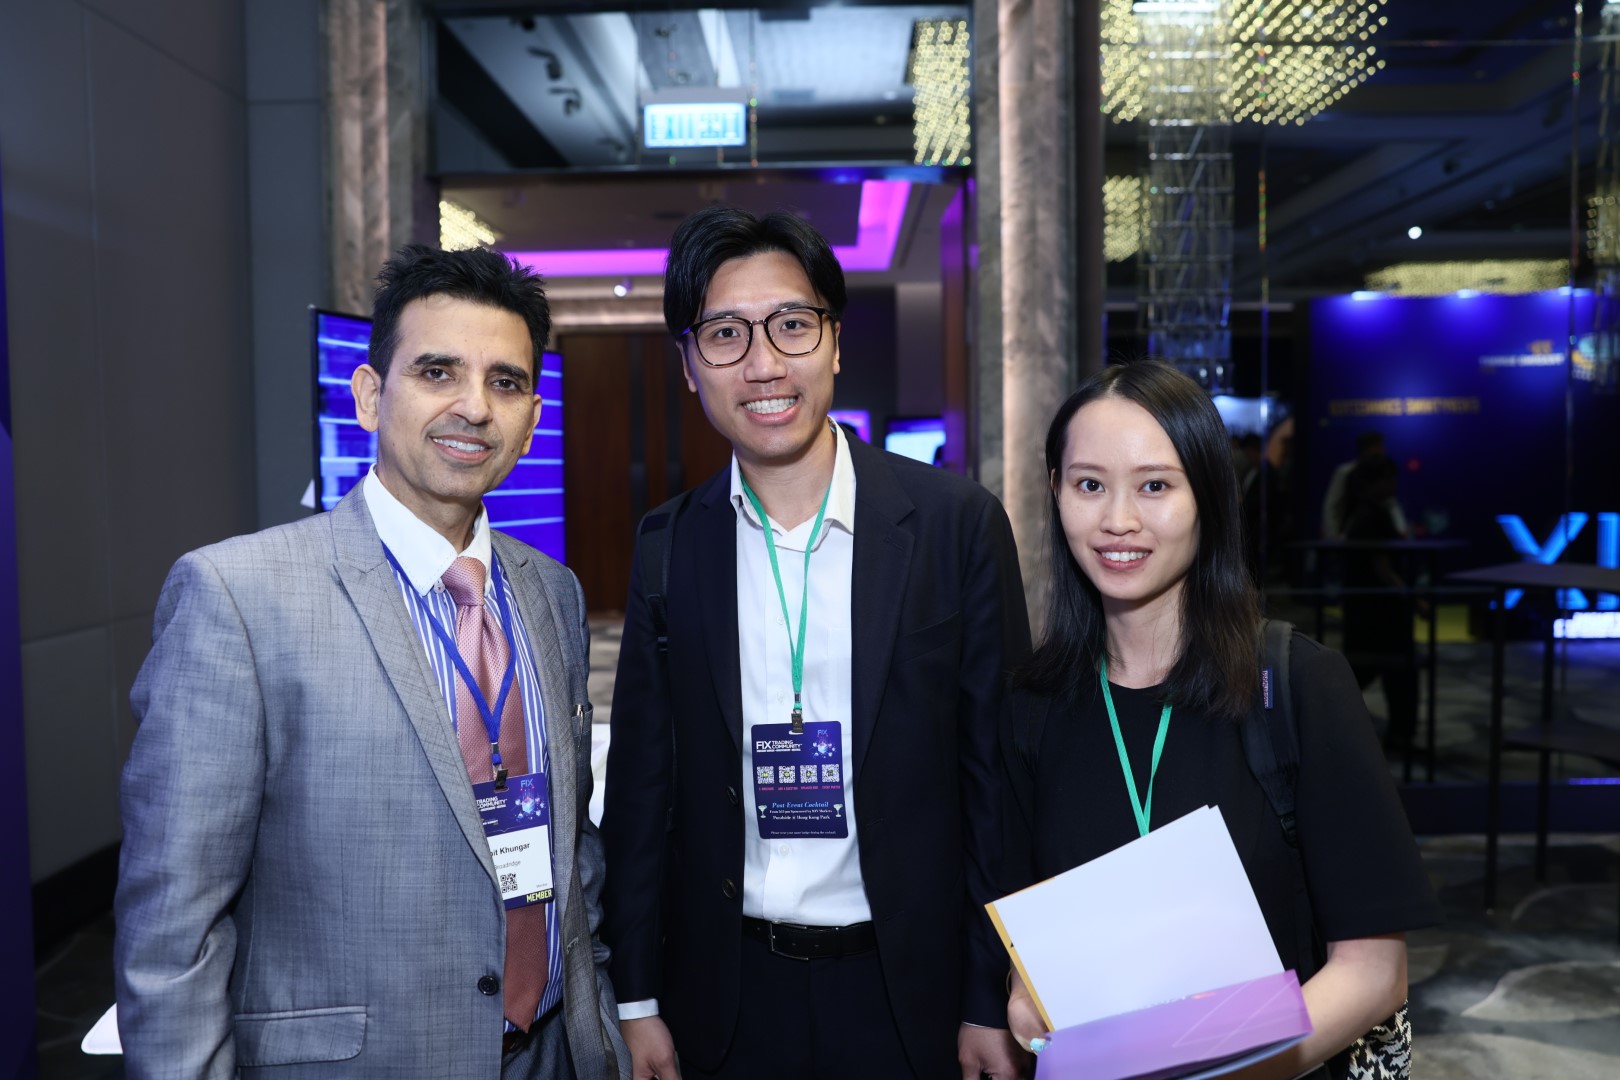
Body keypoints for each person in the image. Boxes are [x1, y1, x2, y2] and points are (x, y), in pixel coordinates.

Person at [115, 245, 630, 1079]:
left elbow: (571, 850)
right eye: (437, 371)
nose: (474, 407)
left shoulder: (553, 593)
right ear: (367, 395)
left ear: (533, 417)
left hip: (551, 1054)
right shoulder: (237, 597)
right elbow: (174, 928)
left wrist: (598, 1022)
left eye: (505, 382)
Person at [601, 207, 1030, 1080]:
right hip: (726, 996)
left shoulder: (955, 526)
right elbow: (645, 788)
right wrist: (637, 999)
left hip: (910, 992)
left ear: (834, 342)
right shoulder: (668, 546)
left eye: (792, 325)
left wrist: (990, 993)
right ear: (689, 365)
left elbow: (996, 781)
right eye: (725, 334)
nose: (763, 364)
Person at [1001, 361, 1439, 1079]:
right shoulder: (1032, 707)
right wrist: (1026, 995)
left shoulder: (1296, 685)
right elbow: (1031, 937)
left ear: (1208, 495)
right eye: (1089, 485)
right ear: (1056, 493)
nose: (1118, 520)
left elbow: (1373, 973)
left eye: (1155, 486)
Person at [1341, 452, 1423, 752]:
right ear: (1377, 482)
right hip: (1380, 615)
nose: (1394, 484)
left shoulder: (1364, 513)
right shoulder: (1371, 516)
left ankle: (1396, 736)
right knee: (1398, 675)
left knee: (1370, 674)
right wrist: (1414, 600)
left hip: (1370, 614)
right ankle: (1400, 737)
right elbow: (1382, 567)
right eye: (1390, 478)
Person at [1320, 430, 1405, 540]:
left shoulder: (1381, 470)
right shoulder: (1346, 472)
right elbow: (1332, 506)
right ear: (1366, 449)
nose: (1382, 450)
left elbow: (1390, 503)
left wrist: (1401, 527)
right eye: (1378, 447)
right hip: (1352, 531)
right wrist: (1333, 537)